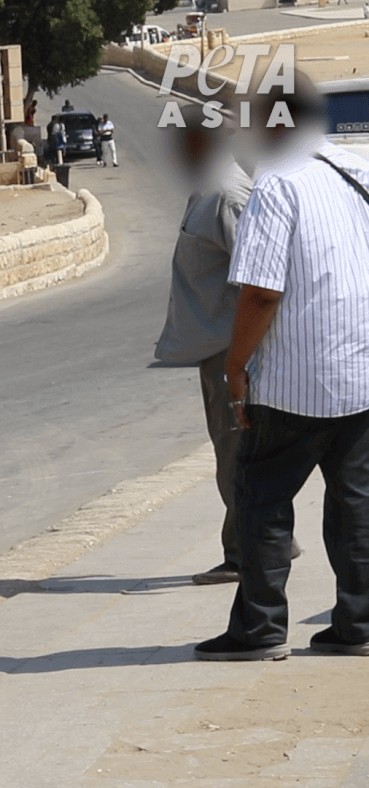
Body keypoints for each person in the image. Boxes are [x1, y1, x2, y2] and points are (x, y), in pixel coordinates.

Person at [195, 75, 369, 661]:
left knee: (262, 497)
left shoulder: (277, 185)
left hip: (296, 379)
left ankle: (259, 629)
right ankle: (359, 626)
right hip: (360, 369)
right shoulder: (356, 174)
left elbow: (262, 293)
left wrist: (237, 366)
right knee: (356, 502)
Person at [154, 104, 255, 585]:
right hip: (213, 346)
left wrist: (242, 359)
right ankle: (259, 543)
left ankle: (247, 554)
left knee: (237, 452)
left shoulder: (226, 194)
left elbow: (259, 277)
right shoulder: (205, 190)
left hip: (229, 349)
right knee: (230, 449)